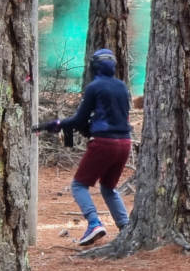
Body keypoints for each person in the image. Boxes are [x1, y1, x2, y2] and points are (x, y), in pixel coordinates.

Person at [35, 48, 132, 246]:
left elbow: (80, 120)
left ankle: (94, 223)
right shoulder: (122, 87)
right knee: (108, 187)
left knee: (79, 185)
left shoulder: (94, 87)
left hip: (104, 143)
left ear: (93, 66)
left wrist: (56, 124)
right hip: (125, 143)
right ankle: (126, 227)